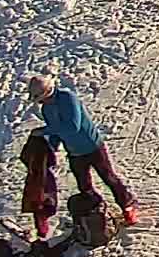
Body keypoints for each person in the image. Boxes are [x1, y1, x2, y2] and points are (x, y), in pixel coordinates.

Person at [21, 74, 137, 227]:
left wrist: (44, 131)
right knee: (84, 186)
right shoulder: (47, 110)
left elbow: (72, 126)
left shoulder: (67, 98)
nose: (40, 101)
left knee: (109, 177)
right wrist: (50, 150)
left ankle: (127, 205)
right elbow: (56, 133)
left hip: (92, 146)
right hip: (74, 152)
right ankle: (98, 210)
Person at [16, 131, 57, 242]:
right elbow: (52, 161)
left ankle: (42, 231)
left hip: (33, 179)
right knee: (43, 206)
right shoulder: (43, 147)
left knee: (38, 208)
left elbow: (23, 157)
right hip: (45, 181)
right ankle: (43, 233)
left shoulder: (30, 147)